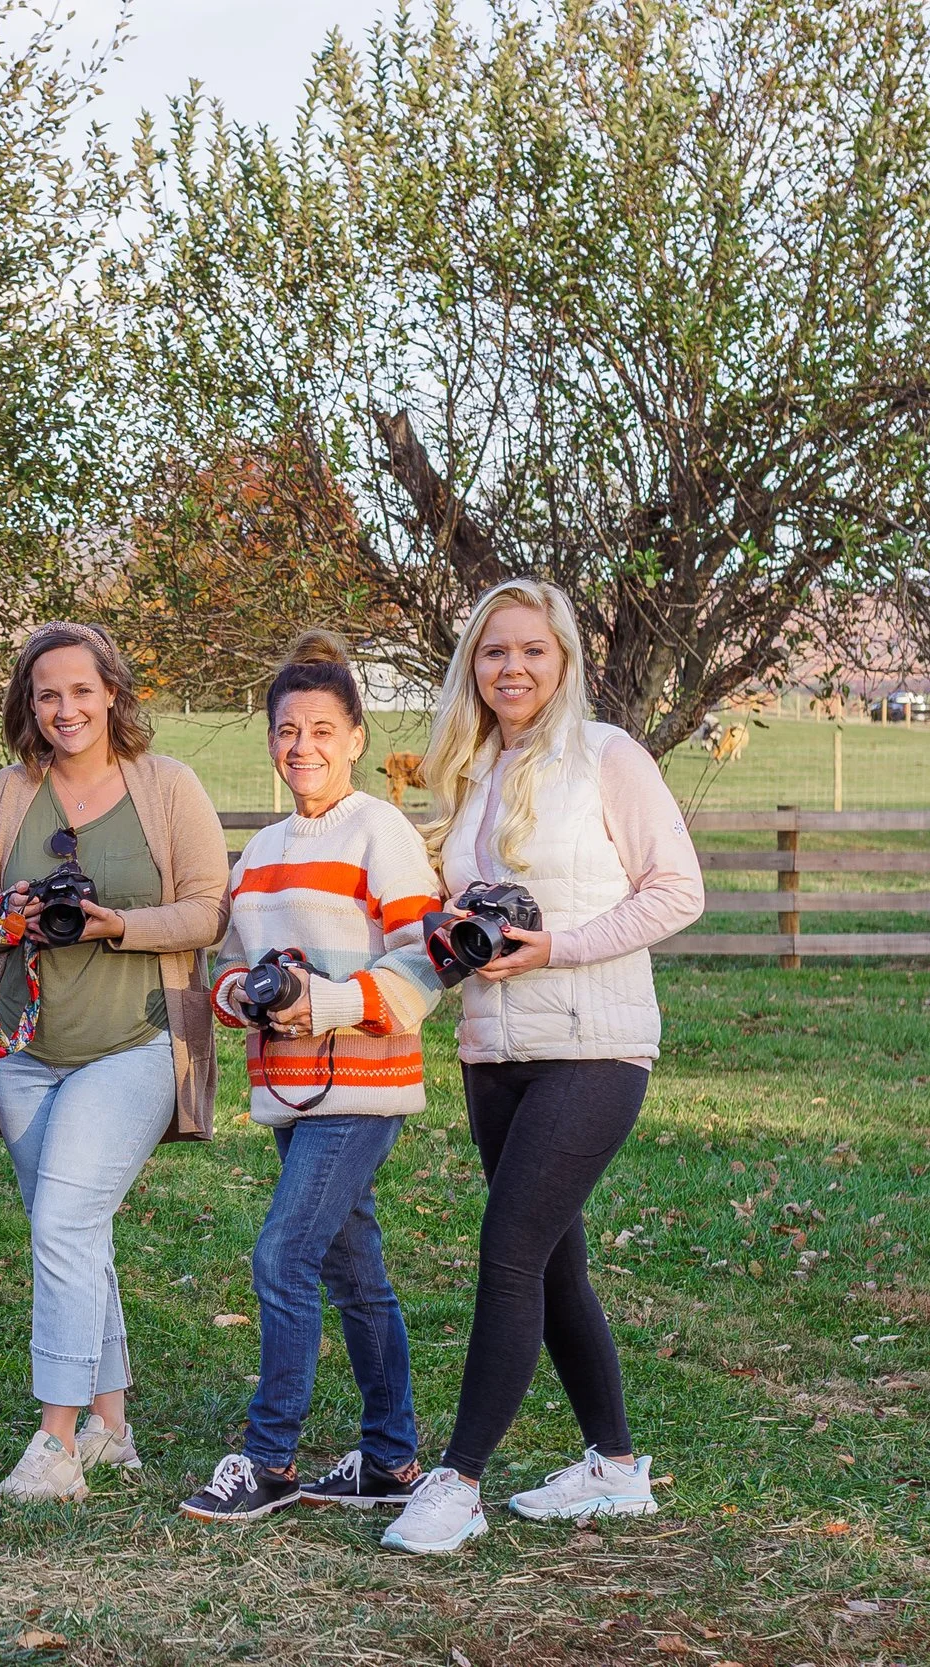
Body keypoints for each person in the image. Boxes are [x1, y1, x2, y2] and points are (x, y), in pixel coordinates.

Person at [380, 578, 706, 1555]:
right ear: (469, 666)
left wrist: (555, 945)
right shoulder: (471, 771)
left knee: (509, 1247)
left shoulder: (608, 755)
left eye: (530, 649)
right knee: (555, 1262)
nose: (511, 666)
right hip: (496, 1051)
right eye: (492, 651)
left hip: (594, 1044)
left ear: (561, 660)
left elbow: (677, 891)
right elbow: (465, 928)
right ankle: (612, 1466)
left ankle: (458, 1479)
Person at [178, 631, 450, 1524]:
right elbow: (225, 972)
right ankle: (390, 1458)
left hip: (364, 1087)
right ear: (270, 741)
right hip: (289, 1091)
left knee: (282, 1253)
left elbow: (425, 966)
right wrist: (250, 999)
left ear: (357, 738)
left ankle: (270, 1459)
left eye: (323, 729)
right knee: (355, 1273)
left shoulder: (383, 831)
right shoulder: (258, 853)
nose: (304, 747)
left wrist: (323, 1003)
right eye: (288, 730)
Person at [0, 621, 230, 1503]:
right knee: (75, 1229)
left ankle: (55, 1440)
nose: (66, 708)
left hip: (139, 1038)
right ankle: (114, 1427)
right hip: (27, 1048)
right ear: (28, 706)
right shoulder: (7, 792)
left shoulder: (166, 785)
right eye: (47, 694)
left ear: (112, 691)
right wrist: (10, 913)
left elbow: (207, 910)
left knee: (63, 1222)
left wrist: (120, 926)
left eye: (81, 690)